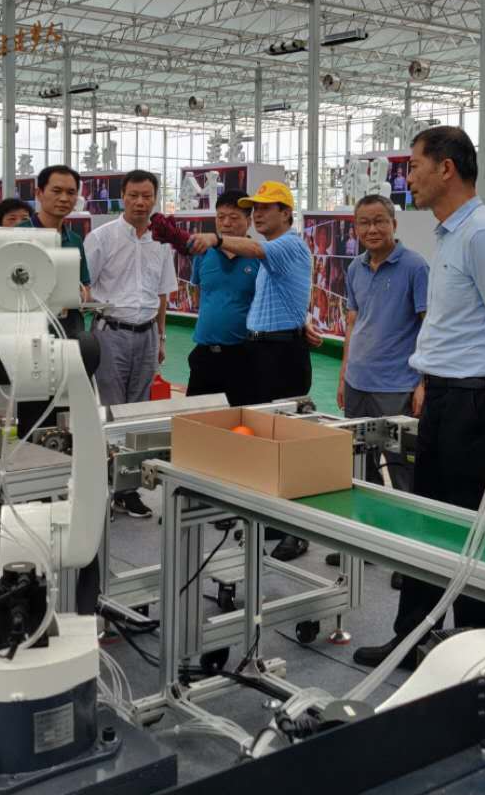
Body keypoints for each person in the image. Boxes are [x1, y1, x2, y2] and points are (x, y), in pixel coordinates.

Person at [354, 127, 485, 671]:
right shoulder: (449, 234)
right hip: (446, 396)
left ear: (446, 168)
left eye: (414, 165)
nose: (408, 177)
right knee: (430, 520)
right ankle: (412, 638)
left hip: (479, 401)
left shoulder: (484, 233)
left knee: (476, 526)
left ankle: (477, 650)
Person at [187, 178, 314, 561]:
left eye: (265, 208)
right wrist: (303, 319)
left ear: (287, 213)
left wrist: (215, 239)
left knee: (284, 441)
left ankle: (296, 530)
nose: (258, 214)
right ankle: (271, 517)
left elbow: (256, 249)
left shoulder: (287, 244)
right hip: (262, 351)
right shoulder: (267, 256)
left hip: (282, 353)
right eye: (254, 208)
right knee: (261, 439)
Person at [85, 169, 176, 518]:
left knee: (138, 415)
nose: (140, 202)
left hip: (147, 334)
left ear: (155, 198)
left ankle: (127, 490)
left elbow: (162, 293)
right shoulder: (101, 238)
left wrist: (161, 337)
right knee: (110, 412)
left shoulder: (161, 242)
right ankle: (100, 490)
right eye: (134, 195)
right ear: (122, 196)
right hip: (111, 333)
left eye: (147, 196)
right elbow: (85, 286)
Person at [339, 194, 428, 492]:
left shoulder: (415, 267)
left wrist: (422, 383)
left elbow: (429, 326)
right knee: (361, 467)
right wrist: (344, 375)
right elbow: (353, 323)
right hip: (357, 385)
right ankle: (367, 519)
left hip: (396, 388)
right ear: (356, 229)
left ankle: (409, 521)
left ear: (394, 224)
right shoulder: (356, 268)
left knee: (403, 469)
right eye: (364, 223)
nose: (372, 229)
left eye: (379, 221)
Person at [186, 191, 259, 405]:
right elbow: (199, 292)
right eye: (221, 217)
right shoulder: (203, 253)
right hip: (204, 354)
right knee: (196, 419)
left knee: (240, 418)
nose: (226, 223)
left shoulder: (258, 256)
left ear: (249, 222)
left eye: (234, 217)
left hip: (243, 356)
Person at [16, 165, 92, 338]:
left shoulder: (74, 240)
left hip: (69, 327)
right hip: (27, 328)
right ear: (39, 193)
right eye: (56, 191)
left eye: (71, 193)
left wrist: (79, 295)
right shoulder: (18, 235)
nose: (64, 198)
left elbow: (85, 286)